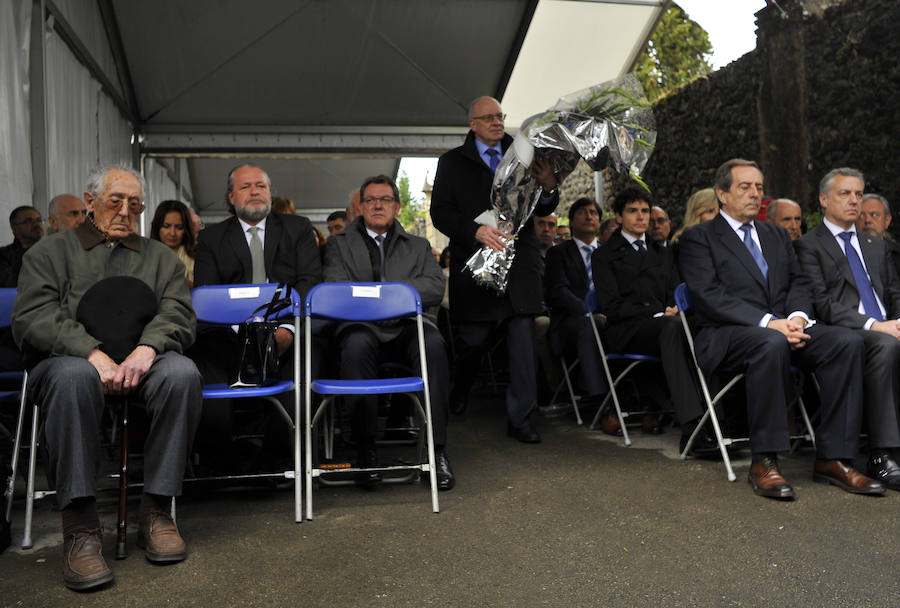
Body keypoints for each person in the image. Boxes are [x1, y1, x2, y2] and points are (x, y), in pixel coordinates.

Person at [11, 164, 202, 590]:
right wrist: (90, 352)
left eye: (135, 203)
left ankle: (156, 511)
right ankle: (80, 529)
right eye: (115, 200)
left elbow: (178, 314)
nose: (125, 210)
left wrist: (147, 348)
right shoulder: (49, 252)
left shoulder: (159, 257)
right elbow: (33, 317)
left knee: (182, 374)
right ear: (90, 201)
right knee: (73, 378)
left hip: (142, 360)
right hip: (70, 362)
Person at [679, 158, 882, 499]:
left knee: (847, 341)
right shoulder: (699, 238)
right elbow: (709, 296)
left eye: (759, 187)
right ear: (722, 194)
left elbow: (798, 282)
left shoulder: (775, 235)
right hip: (727, 333)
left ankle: (834, 458)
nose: (755, 194)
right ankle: (764, 461)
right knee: (769, 343)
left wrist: (799, 317)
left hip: (785, 327)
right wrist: (770, 323)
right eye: (745, 187)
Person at [430, 95, 562, 443]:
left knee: (521, 332)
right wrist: (473, 230)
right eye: (488, 117)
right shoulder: (452, 162)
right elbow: (440, 213)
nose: (497, 122)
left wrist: (549, 184)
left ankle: (521, 417)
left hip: (519, 261)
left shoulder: (524, 151)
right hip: (477, 260)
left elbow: (543, 205)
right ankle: (461, 387)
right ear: (472, 124)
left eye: (500, 116)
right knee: (475, 338)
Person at [323, 175, 454, 490]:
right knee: (354, 347)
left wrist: (394, 301)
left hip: (407, 325)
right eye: (371, 200)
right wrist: (382, 305)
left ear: (396, 207)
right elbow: (336, 287)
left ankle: (436, 452)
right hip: (360, 328)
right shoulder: (339, 244)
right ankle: (365, 450)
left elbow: (435, 286)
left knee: (434, 344)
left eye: (385, 200)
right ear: (360, 207)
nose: (378, 205)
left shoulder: (419, 246)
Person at [192, 165, 322, 464]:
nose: (254, 192)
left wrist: (286, 328)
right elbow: (207, 295)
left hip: (286, 331)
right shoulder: (211, 238)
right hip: (228, 334)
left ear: (270, 192)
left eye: (261, 186)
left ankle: (279, 460)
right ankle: (219, 461)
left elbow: (309, 283)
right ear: (230, 196)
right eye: (245, 186)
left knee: (310, 356)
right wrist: (249, 335)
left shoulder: (298, 228)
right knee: (201, 359)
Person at [794, 168, 900, 491]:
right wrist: (877, 325)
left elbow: (894, 293)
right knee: (885, 344)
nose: (854, 200)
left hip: (885, 327)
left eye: (858, 193)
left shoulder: (875, 245)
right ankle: (882, 454)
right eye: (845, 194)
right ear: (824, 200)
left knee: (888, 340)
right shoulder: (808, 245)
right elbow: (822, 304)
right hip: (844, 331)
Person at [591, 187, 706, 442]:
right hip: (626, 330)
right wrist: (657, 313)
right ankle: (693, 426)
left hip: (664, 325)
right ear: (619, 217)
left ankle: (716, 417)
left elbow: (674, 289)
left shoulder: (662, 252)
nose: (641, 217)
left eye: (645, 211)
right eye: (633, 211)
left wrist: (674, 307)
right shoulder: (604, 255)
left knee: (701, 326)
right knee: (673, 329)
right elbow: (611, 307)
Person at [543, 197, 608, 420]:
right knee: (590, 325)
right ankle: (599, 400)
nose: (589, 216)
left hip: (610, 317)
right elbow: (558, 292)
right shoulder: (559, 253)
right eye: (582, 212)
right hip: (573, 322)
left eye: (594, 212)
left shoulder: (609, 252)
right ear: (571, 221)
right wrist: (588, 312)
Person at [150, 199, 197, 287]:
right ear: (157, 227)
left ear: (186, 229)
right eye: (166, 226)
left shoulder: (198, 255)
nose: (172, 233)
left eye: (179, 227)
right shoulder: (145, 255)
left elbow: (204, 292)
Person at [857, 193, 900, 278]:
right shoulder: (842, 253)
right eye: (861, 216)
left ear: (887, 220)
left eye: (874, 215)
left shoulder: (897, 254)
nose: (867, 220)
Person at [0, 206, 44, 287]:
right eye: (29, 221)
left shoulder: (55, 250)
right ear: (15, 228)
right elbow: (9, 283)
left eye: (39, 220)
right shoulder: (3, 255)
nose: (36, 224)